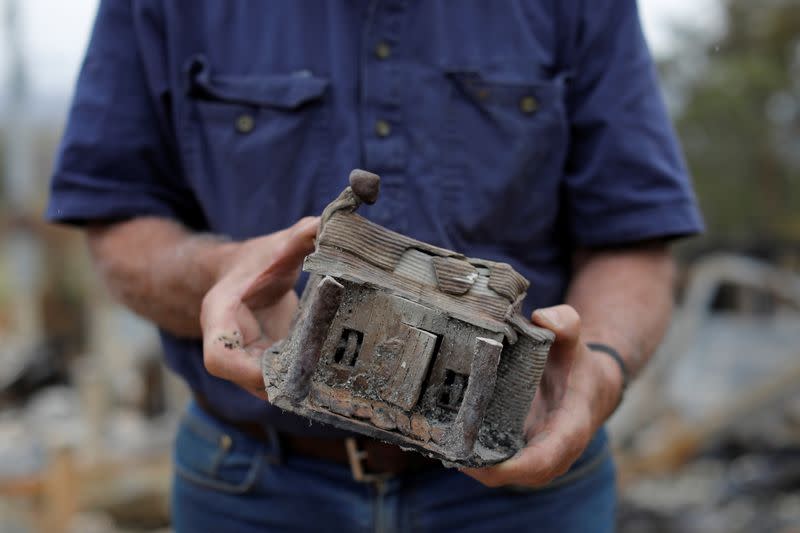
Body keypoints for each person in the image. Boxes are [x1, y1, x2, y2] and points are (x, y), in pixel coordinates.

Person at [47, 1, 703, 531]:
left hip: (525, 487)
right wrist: (218, 271)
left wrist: (601, 370)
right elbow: (116, 216)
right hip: (252, 484)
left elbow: (633, 238)